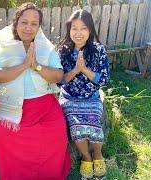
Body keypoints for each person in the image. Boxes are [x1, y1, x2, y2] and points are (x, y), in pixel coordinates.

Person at [0, 3, 71, 180]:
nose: (28, 27)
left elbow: (58, 75)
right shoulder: (4, 45)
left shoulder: (45, 47)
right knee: (6, 136)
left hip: (44, 105)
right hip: (12, 106)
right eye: (24, 22)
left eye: (34, 24)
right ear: (16, 23)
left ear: (39, 26)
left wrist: (37, 67)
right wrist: (24, 65)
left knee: (56, 132)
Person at [57, 10, 110, 179]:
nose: (78, 33)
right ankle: (86, 158)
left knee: (94, 123)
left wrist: (85, 70)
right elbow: (59, 81)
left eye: (83, 28)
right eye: (74, 28)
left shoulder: (98, 50)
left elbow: (104, 79)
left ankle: (97, 154)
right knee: (76, 125)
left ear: (90, 30)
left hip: (91, 98)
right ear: (69, 30)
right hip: (69, 98)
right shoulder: (63, 51)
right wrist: (75, 70)